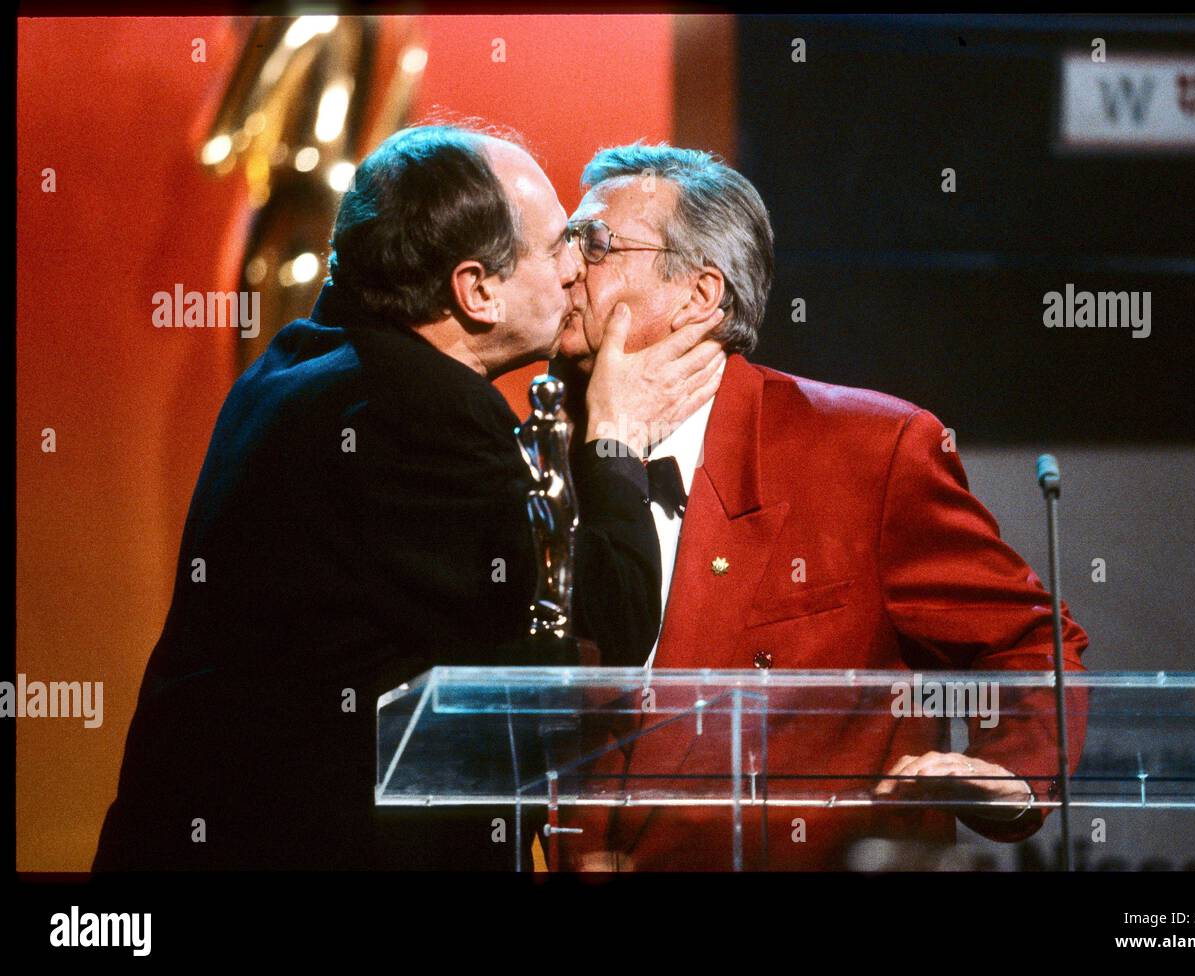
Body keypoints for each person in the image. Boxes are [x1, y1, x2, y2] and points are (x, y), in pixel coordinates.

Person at [92, 125, 724, 871]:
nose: (572, 273)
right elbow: (603, 629)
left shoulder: (297, 364)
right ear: (476, 290)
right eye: (558, 247)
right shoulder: (422, 412)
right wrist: (617, 430)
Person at [549, 143, 1090, 870]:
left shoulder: (867, 449)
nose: (566, 266)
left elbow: (1032, 641)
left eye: (595, 242)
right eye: (565, 240)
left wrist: (1009, 772)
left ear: (701, 294)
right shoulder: (541, 456)